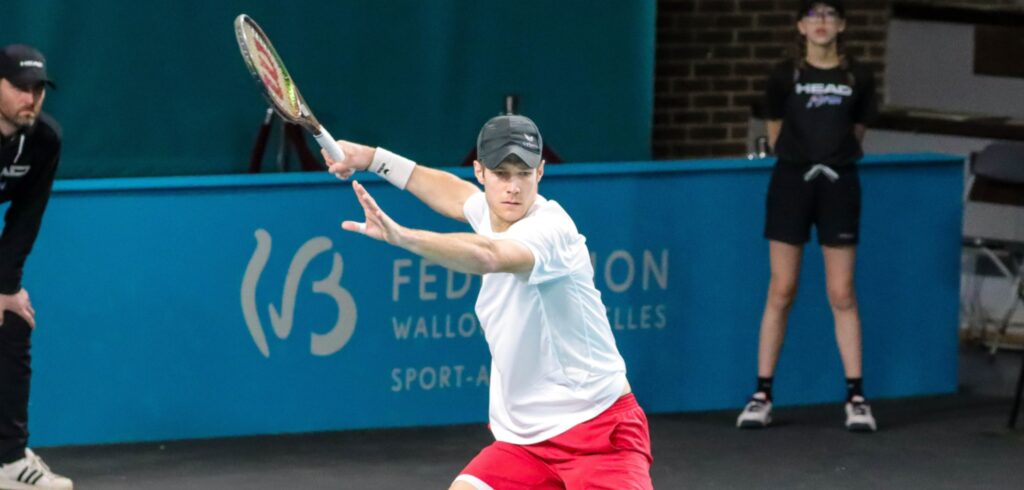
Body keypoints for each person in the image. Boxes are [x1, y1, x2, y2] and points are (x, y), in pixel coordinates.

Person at [323, 115, 653, 489]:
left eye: (523, 174)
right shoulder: (489, 211)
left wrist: (403, 237)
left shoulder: (549, 229)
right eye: (500, 173)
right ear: (479, 172)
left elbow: (488, 255)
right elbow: (453, 193)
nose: (512, 187)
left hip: (598, 433)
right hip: (524, 444)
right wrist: (370, 157)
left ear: (540, 172)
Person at [736, 0, 878, 432]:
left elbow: (855, 132)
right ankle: (761, 395)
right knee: (782, 288)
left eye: (829, 15)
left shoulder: (858, 76)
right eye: (812, 16)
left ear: (841, 25)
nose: (821, 23)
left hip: (839, 184)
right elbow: (777, 133)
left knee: (842, 292)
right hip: (791, 184)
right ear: (800, 25)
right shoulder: (784, 75)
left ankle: (856, 397)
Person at [0, 45, 73, 489]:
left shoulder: (45, 140)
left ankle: (9, 461)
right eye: (20, 88)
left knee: (13, 318)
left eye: (38, 89)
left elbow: (26, 217)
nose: (31, 97)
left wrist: (5, 287)